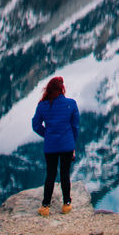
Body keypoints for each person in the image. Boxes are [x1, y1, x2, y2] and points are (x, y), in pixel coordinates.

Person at [31, 75, 80, 216]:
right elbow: (75, 126)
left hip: (50, 146)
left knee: (50, 174)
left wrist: (47, 134)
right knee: (65, 174)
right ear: (62, 89)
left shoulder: (42, 106)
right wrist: (72, 142)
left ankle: (45, 206)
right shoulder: (71, 104)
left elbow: (36, 125)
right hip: (67, 145)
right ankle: (66, 204)